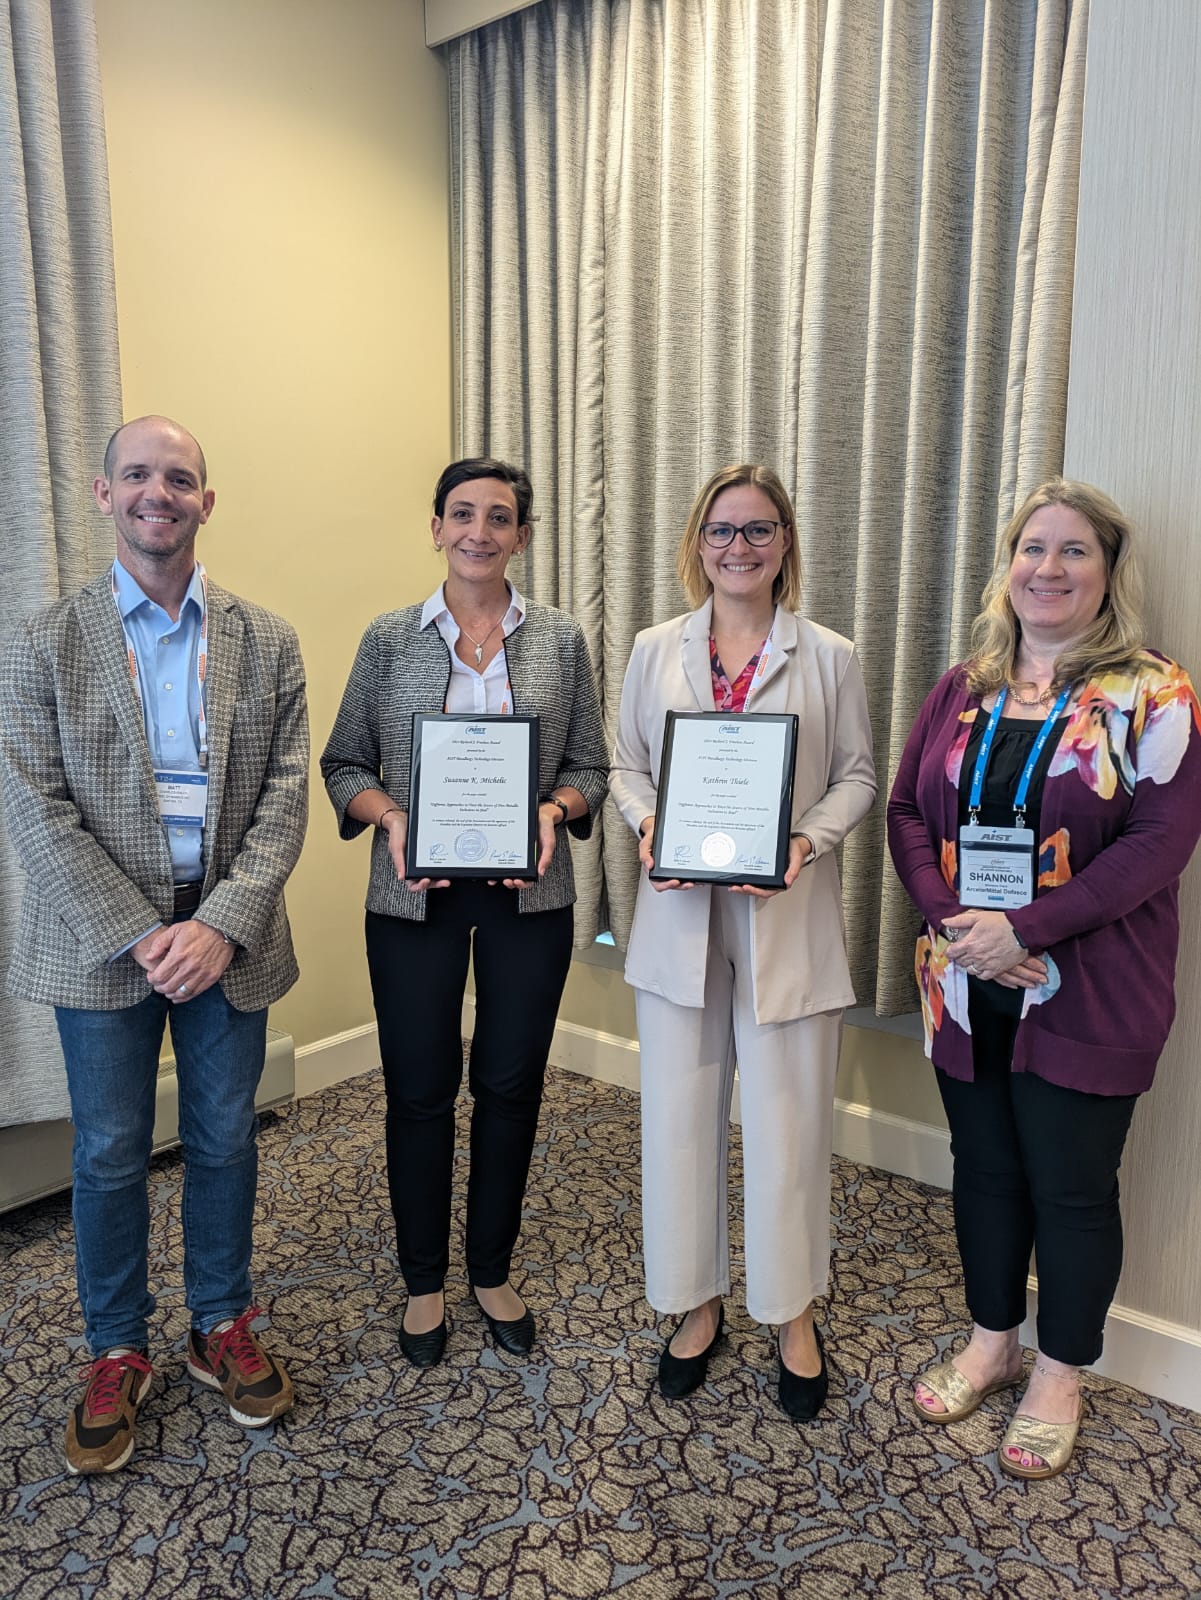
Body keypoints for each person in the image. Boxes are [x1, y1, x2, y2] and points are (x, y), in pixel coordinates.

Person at [0, 416, 309, 1475]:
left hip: (229, 936)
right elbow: (35, 807)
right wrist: (141, 933)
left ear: (205, 503)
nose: (157, 493)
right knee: (107, 1151)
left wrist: (218, 922)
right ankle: (116, 1346)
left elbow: (281, 798)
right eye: (137, 474)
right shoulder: (43, 640)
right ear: (103, 493)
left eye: (179, 478)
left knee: (226, 1139)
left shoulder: (266, 640)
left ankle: (220, 1322)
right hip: (102, 944)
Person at [887, 478, 1201, 1480]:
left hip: (1089, 985)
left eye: (1073, 551)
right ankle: (991, 1337)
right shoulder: (963, 683)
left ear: (1107, 573)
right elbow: (905, 813)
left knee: (1069, 1187)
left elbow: (1156, 844)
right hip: (964, 978)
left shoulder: (1154, 694)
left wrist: (1026, 926)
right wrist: (959, 926)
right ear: (1007, 564)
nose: (1048, 569)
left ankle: (1060, 1370)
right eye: (1033, 547)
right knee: (981, 1168)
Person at [321, 457, 607, 1368]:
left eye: (499, 517)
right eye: (461, 514)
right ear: (436, 527)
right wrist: (393, 816)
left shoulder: (560, 641)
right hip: (414, 898)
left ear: (522, 535)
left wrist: (554, 810)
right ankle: (422, 1280)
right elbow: (344, 766)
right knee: (418, 1088)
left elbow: (591, 769)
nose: (478, 531)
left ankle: (489, 1269)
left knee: (511, 1084)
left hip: (530, 896)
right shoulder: (388, 639)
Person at [610, 464, 875, 1419]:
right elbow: (625, 765)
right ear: (698, 543)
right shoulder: (652, 648)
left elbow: (855, 777)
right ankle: (695, 1300)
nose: (739, 548)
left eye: (759, 531)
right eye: (722, 531)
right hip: (679, 914)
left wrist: (804, 841)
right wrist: (647, 826)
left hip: (783, 912)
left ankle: (790, 1308)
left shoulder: (829, 655)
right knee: (677, 1117)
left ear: (784, 545)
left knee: (787, 1118)